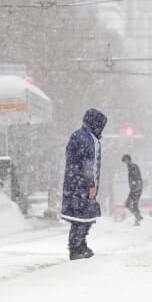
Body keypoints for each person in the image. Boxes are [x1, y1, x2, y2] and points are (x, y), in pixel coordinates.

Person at [61, 108, 107, 261]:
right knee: (83, 216)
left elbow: (73, 160)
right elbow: (89, 165)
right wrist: (91, 184)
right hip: (83, 185)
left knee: (79, 216)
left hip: (73, 182)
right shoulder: (90, 139)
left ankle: (79, 245)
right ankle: (77, 247)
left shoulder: (77, 136)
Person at [122, 154, 144, 226]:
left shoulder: (132, 166)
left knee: (128, 204)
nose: (125, 162)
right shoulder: (131, 166)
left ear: (128, 159)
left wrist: (135, 185)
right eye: (124, 161)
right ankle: (137, 220)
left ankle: (138, 217)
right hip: (136, 187)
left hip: (136, 188)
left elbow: (136, 176)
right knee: (135, 205)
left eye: (125, 160)